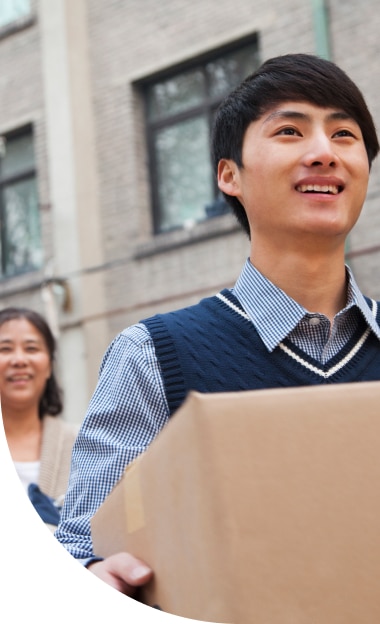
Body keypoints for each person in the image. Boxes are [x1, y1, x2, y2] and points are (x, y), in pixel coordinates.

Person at [56, 52, 380, 594]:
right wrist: (92, 575)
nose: (324, 153)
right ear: (229, 175)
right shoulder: (154, 356)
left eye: (345, 134)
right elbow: (85, 544)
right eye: (290, 131)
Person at [0, 307, 78, 530]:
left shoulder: (82, 444)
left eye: (31, 348)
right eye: (4, 349)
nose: (19, 360)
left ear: (49, 367)